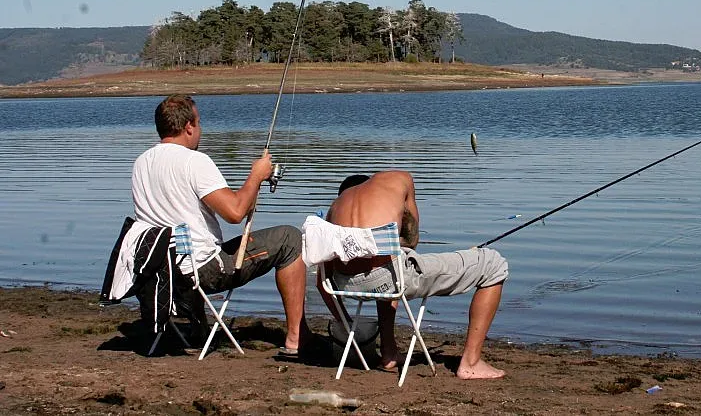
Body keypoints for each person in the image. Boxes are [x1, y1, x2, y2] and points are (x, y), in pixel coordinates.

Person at [131, 94, 309, 354]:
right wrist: (256, 176)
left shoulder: (141, 163)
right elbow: (235, 213)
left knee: (194, 245)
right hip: (201, 271)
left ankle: (198, 330)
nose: (200, 129)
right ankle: (297, 338)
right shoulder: (194, 161)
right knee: (290, 239)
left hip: (161, 270)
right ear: (189, 127)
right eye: (199, 122)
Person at [317, 170, 508, 379]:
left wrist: (345, 321)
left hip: (344, 286)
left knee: (387, 266)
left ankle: (389, 352)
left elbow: (322, 282)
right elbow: (412, 240)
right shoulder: (401, 178)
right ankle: (471, 363)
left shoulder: (335, 207)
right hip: (390, 281)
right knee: (493, 264)